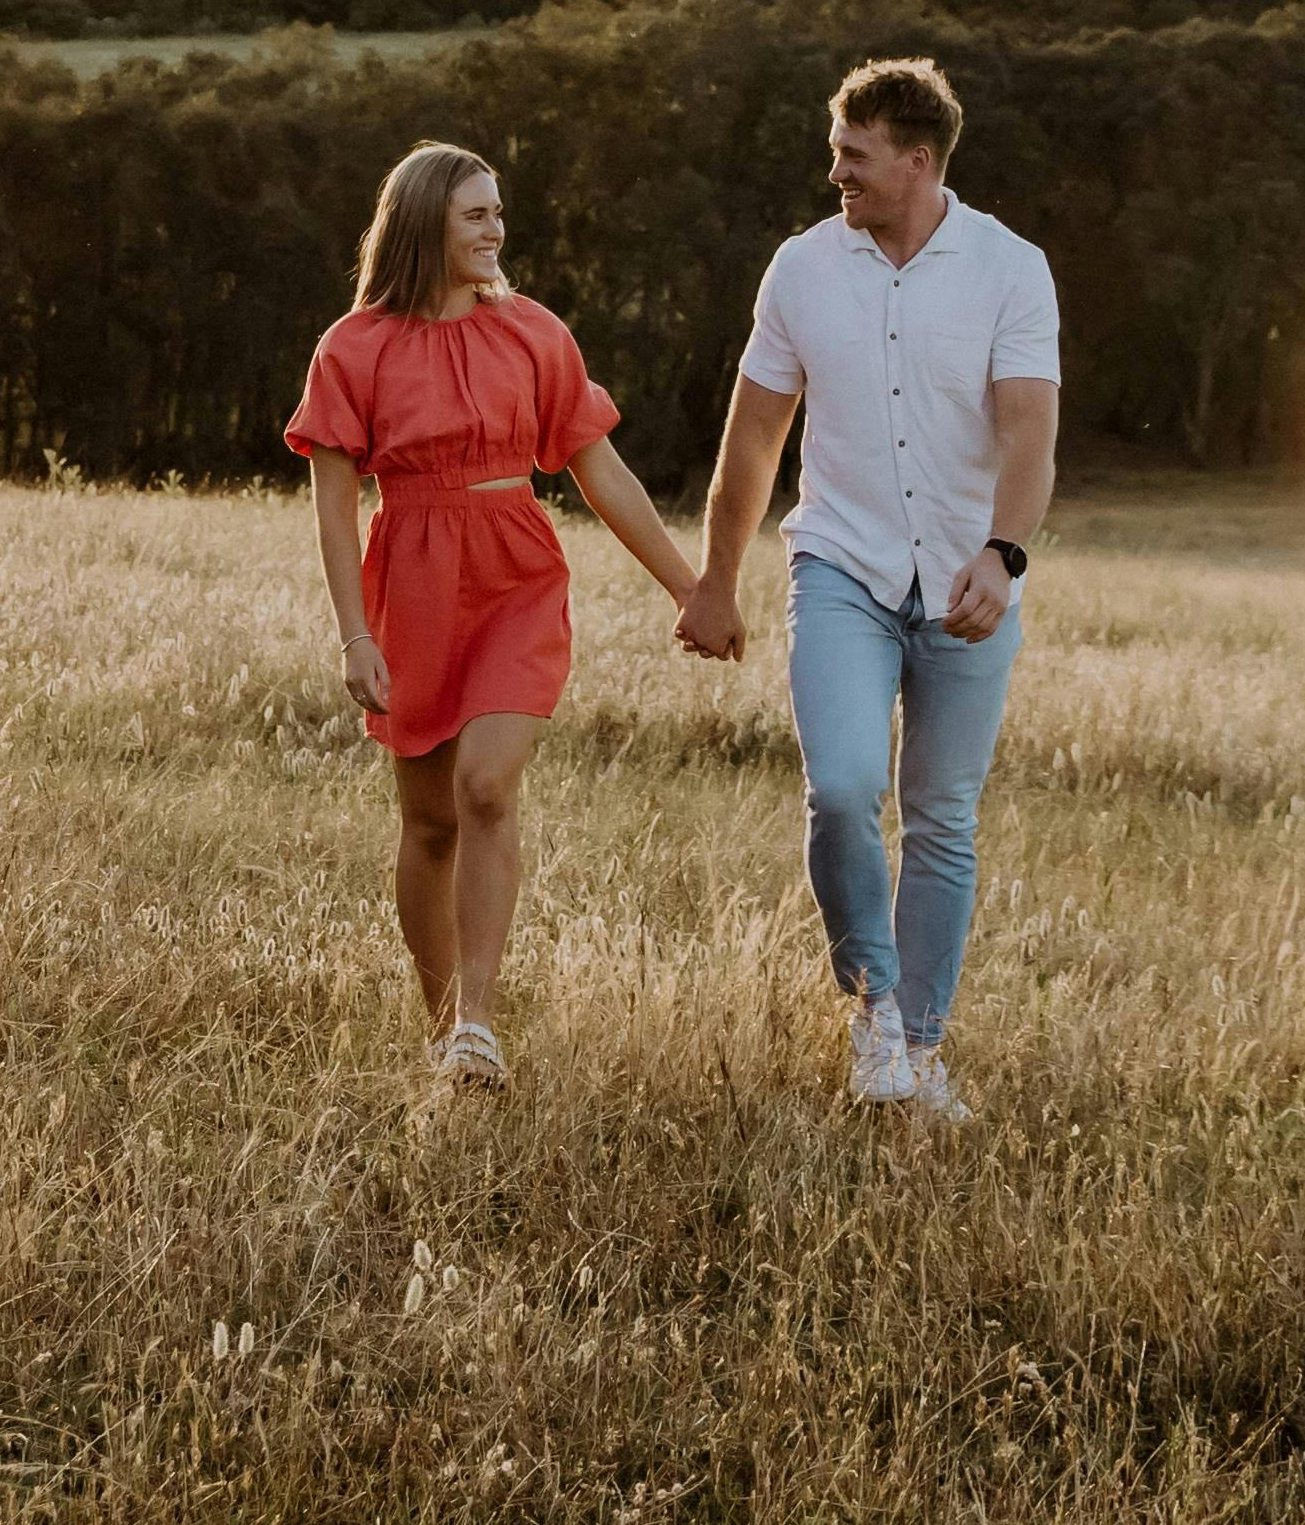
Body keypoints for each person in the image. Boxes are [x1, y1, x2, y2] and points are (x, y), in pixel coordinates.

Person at [678, 57, 1061, 1123]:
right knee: (844, 788)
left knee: (941, 817)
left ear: (917, 161)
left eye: (854, 154)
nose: (834, 169)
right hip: (840, 562)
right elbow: (753, 437)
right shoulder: (802, 269)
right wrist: (716, 578)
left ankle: (922, 1050)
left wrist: (1004, 552)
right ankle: (876, 1015)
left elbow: (1031, 429)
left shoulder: (1010, 268)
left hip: (965, 581)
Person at [291, 141, 702, 1091]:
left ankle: (478, 1019)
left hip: (516, 574)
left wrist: (686, 587)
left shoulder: (533, 333)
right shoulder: (351, 348)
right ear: (426, 219)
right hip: (412, 582)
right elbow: (334, 505)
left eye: (499, 213)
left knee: (485, 787)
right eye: (476, 213)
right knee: (428, 822)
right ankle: (442, 1031)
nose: (497, 231)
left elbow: (601, 469)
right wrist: (355, 634)